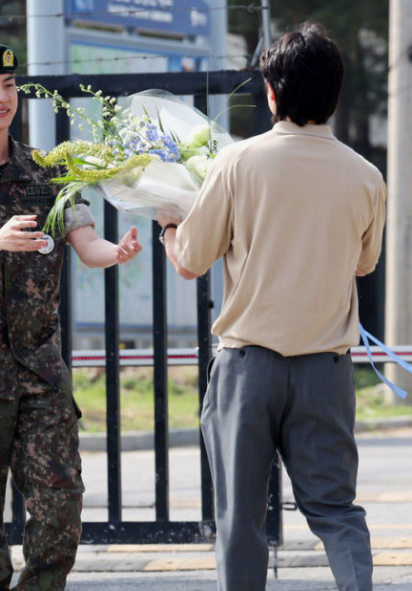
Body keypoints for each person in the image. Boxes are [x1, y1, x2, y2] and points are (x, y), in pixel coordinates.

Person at [158, 23, 386, 591]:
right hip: (325, 370)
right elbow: (364, 264)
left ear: (271, 92)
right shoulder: (366, 176)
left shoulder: (237, 164)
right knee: (336, 509)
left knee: (241, 520)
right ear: (334, 94)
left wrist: (168, 225)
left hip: (247, 368)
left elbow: (189, 261)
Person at [0, 42, 142, 591]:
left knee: (60, 512)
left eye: (9, 86)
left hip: (40, 372)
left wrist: (119, 250)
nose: (2, 97)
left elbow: (88, 244)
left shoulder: (49, 172)